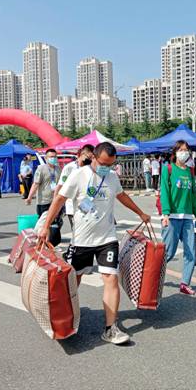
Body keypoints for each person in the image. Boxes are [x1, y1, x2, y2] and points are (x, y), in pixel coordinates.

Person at [39, 142, 151, 345]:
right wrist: (46, 226)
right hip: (81, 240)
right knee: (74, 280)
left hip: (107, 238)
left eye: (111, 164)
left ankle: (110, 328)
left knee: (111, 278)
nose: (107, 168)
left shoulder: (112, 177)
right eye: (103, 163)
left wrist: (140, 213)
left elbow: (122, 196)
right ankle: (63, 318)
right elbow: (60, 200)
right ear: (93, 158)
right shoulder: (78, 175)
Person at [160, 140, 196, 298]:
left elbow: (193, 194)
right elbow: (164, 191)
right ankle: (151, 276)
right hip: (171, 217)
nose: (184, 152)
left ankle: (185, 284)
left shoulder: (190, 171)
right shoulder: (168, 169)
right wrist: (165, 214)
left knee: (191, 252)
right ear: (175, 152)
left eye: (186, 150)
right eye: (181, 150)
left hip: (187, 218)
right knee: (168, 253)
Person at [55, 144, 95, 228]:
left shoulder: (92, 168)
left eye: (92, 158)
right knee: (76, 231)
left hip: (88, 206)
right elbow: (60, 185)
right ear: (82, 154)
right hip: (72, 208)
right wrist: (55, 204)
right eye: (89, 157)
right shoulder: (70, 167)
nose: (90, 160)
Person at [25, 149, 61, 217]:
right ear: (46, 158)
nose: (53, 158)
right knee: (43, 221)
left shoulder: (58, 169)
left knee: (56, 221)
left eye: (55, 157)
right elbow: (35, 184)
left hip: (55, 201)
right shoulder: (41, 169)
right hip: (44, 202)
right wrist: (29, 197)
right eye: (51, 157)